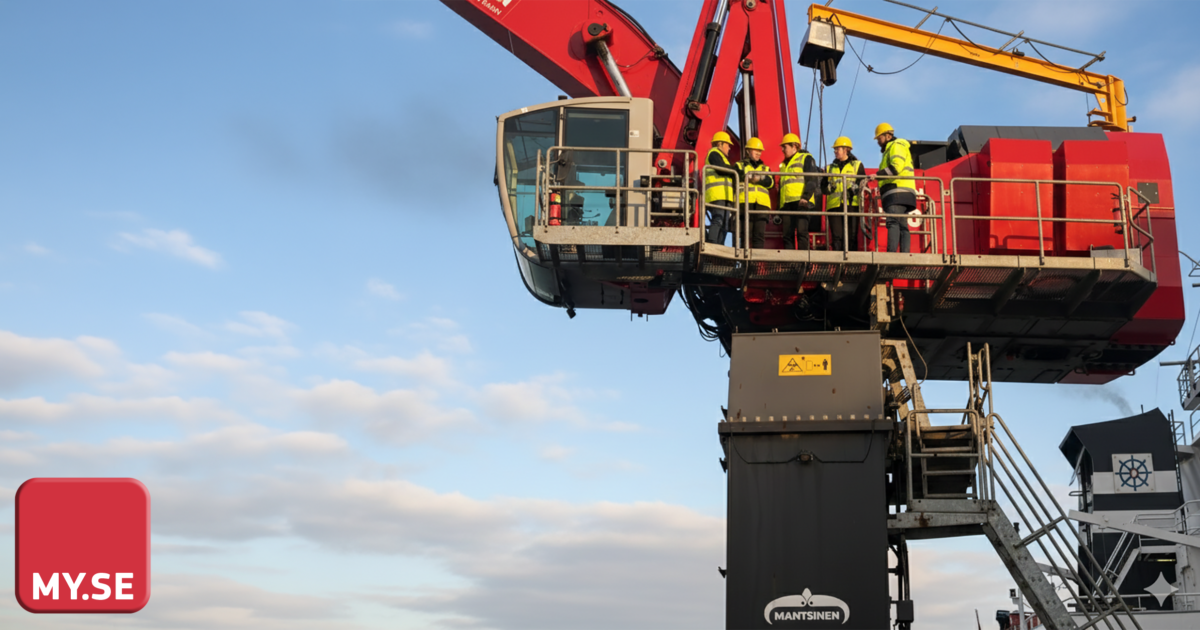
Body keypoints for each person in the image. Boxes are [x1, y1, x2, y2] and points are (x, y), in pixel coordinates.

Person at [870, 123, 917, 253]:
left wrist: (877, 175)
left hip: (897, 192)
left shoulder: (896, 146)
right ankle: (904, 257)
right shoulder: (893, 148)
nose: (878, 141)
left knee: (893, 223)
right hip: (903, 192)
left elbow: (896, 168)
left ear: (888, 136)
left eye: (880, 138)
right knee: (902, 225)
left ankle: (892, 256)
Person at [822, 136, 866, 252]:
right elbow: (823, 188)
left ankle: (851, 266)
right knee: (837, 237)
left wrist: (855, 188)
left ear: (846, 149)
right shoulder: (829, 168)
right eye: (835, 149)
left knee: (851, 236)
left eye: (838, 149)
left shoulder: (856, 165)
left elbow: (862, 183)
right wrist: (829, 188)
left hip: (851, 204)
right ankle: (838, 265)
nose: (835, 151)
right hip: (834, 206)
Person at [776, 133, 820, 250]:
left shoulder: (806, 158)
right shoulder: (784, 165)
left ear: (794, 147)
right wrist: (779, 208)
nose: (782, 150)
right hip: (787, 204)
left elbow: (812, 180)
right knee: (787, 235)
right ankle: (792, 264)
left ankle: (803, 263)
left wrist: (805, 197)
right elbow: (782, 188)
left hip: (802, 202)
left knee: (802, 232)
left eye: (784, 147)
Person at [736, 137, 773, 248]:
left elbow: (770, 182)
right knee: (744, 236)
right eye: (755, 150)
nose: (758, 153)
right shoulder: (739, 165)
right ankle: (744, 264)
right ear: (748, 151)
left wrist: (759, 180)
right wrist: (750, 177)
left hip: (762, 204)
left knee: (759, 236)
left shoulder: (766, 168)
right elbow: (737, 176)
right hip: (744, 203)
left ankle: (756, 264)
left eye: (760, 151)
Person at [704, 131, 736, 244]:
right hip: (717, 195)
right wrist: (734, 169)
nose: (729, 148)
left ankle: (719, 245)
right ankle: (712, 245)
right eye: (727, 144)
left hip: (725, 196)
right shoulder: (714, 153)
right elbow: (720, 169)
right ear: (720, 144)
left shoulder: (723, 158)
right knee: (718, 220)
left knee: (725, 224)